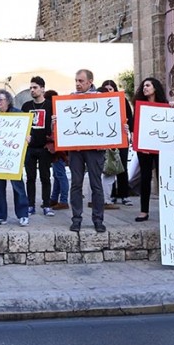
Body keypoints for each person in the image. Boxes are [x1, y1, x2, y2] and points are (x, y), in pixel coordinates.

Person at [67, 69, 107, 233]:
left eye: (81, 81)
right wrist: (56, 121)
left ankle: (98, 219)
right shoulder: (69, 99)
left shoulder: (101, 98)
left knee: (96, 184)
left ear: (90, 82)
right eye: (76, 80)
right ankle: (76, 219)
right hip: (76, 148)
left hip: (94, 149)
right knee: (76, 184)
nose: (77, 84)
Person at [0, 90, 30, 227]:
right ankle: (0, 215)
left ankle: (23, 214)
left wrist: (28, 137)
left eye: (1, 99)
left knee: (17, 186)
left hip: (13, 156)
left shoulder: (18, 114)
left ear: (8, 100)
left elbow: (28, 130)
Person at [134, 77, 168, 222]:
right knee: (145, 177)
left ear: (155, 88)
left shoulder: (165, 105)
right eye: (143, 86)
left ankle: (167, 208)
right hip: (144, 148)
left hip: (162, 147)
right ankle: (144, 210)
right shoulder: (139, 106)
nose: (145, 88)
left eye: (148, 85)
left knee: (163, 177)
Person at [22, 76, 54, 217]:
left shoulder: (50, 106)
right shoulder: (26, 106)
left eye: (35, 87)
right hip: (29, 147)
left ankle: (46, 205)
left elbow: (56, 127)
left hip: (44, 147)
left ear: (42, 89)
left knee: (45, 177)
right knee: (30, 178)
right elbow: (21, 125)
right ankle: (30, 205)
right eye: (31, 88)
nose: (32, 90)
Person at [101, 79, 133, 208]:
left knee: (122, 165)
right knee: (109, 167)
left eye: (110, 89)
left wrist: (129, 131)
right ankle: (112, 194)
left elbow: (129, 117)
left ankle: (124, 194)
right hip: (107, 139)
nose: (109, 91)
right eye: (106, 89)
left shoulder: (122, 101)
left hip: (121, 138)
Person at [45, 89, 70, 210]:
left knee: (60, 174)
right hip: (58, 148)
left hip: (57, 148)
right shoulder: (58, 112)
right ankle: (54, 198)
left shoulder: (54, 114)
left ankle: (63, 200)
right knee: (57, 174)